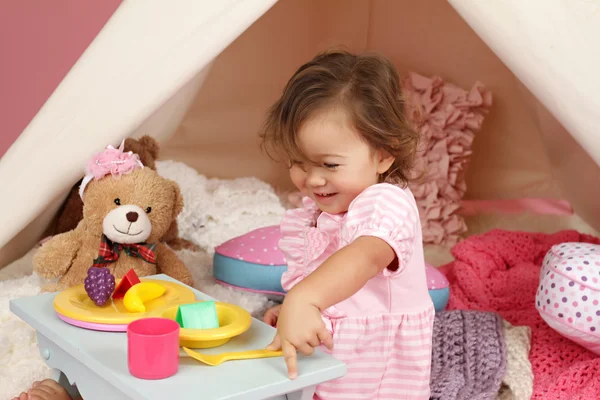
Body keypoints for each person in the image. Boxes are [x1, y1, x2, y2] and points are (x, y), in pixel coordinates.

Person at [260, 48, 434, 399]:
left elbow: (364, 257)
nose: (313, 180)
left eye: (330, 165)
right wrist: (297, 312)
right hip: (337, 360)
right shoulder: (329, 210)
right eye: (299, 162)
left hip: (377, 377)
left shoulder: (388, 202)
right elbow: (337, 287)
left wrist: (304, 298)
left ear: (384, 154)